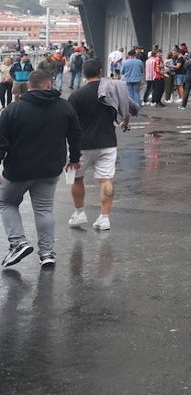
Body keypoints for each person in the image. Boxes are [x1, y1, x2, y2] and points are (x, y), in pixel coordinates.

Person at [0, 69, 82, 268]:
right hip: (50, 169)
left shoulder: (13, 109)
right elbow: (76, 134)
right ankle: (47, 254)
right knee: (44, 209)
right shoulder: (65, 107)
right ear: (48, 85)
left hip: (19, 170)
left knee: (6, 202)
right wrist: (74, 159)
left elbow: (1, 141)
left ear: (28, 86)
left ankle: (18, 241)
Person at [67, 59, 128, 231]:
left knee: (74, 178)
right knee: (106, 180)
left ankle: (79, 213)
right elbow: (125, 107)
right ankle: (104, 218)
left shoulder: (76, 95)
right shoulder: (112, 92)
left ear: (84, 73)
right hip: (108, 142)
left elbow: (69, 122)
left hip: (81, 145)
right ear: (101, 71)